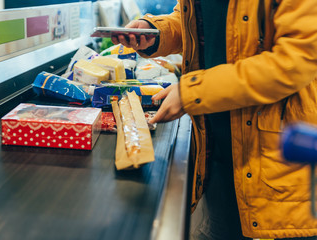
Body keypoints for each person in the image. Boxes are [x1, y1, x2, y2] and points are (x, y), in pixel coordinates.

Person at [112, 0, 317, 239]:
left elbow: (295, 60)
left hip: (281, 156)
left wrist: (194, 92)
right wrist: (156, 32)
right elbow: (197, 20)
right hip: (219, 149)